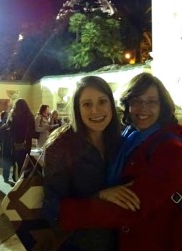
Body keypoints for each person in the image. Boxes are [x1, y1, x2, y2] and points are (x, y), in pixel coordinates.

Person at [57, 72, 182, 251]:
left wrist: (66, 212)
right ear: (127, 105)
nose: (143, 108)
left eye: (151, 102)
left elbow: (130, 208)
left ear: (162, 106)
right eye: (136, 101)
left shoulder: (170, 149)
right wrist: (100, 195)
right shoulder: (128, 137)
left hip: (161, 241)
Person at [42, 76, 122, 250]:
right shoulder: (61, 146)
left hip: (118, 242)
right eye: (87, 104)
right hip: (77, 244)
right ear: (77, 109)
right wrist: (99, 197)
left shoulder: (119, 139)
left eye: (102, 101)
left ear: (111, 105)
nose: (96, 110)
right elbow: (52, 210)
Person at [8, 99, 35, 181]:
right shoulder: (30, 116)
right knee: (25, 163)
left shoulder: (15, 116)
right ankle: (24, 180)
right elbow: (33, 130)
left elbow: (11, 131)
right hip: (27, 143)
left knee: (18, 163)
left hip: (16, 143)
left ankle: (16, 179)